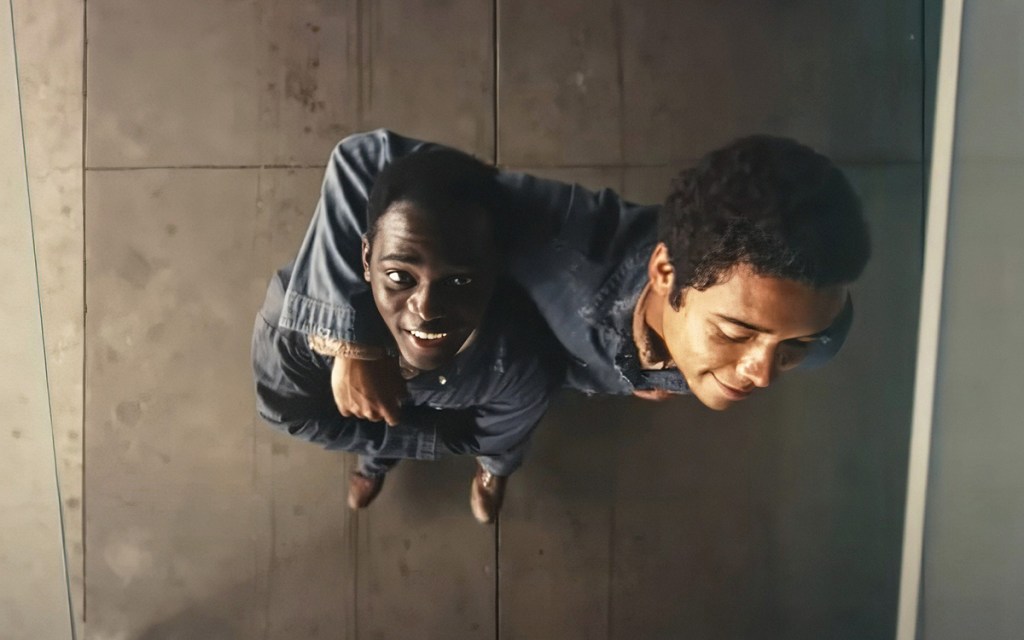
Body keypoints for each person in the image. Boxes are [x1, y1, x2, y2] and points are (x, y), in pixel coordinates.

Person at [278, 129, 870, 423]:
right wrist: (352, 343)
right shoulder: (560, 234)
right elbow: (364, 157)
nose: (763, 374)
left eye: (790, 345)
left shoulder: (822, 338)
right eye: (736, 331)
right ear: (664, 272)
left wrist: (660, 370)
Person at [252, 148, 562, 523]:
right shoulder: (292, 325)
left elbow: (506, 428)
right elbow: (288, 413)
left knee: (503, 449)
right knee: (374, 429)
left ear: (494, 270)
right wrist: (348, 348)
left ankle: (490, 470)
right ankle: (376, 463)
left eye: (460, 280)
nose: (427, 310)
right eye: (400, 277)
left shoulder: (520, 356)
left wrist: (486, 450)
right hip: (423, 424)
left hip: (462, 411)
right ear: (366, 259)